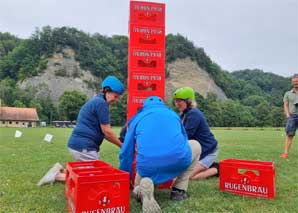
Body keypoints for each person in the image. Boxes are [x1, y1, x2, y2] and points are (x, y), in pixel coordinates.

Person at [37, 76, 125, 186]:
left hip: (79, 145)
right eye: (115, 96)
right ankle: (56, 176)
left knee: (89, 171)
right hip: (84, 147)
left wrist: (119, 142)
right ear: (106, 91)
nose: (116, 100)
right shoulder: (102, 104)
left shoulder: (97, 101)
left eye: (118, 98)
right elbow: (107, 131)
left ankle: (61, 171)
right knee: (94, 179)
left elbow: (105, 132)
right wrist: (122, 145)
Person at [119, 96, 201, 212]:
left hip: (148, 167)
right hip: (177, 160)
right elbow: (184, 139)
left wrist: (125, 179)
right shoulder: (174, 115)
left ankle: (140, 190)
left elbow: (126, 152)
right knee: (195, 145)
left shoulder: (137, 118)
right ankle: (179, 190)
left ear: (144, 107)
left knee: (141, 180)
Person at [173, 87, 219, 180]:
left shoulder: (194, 114)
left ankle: (216, 169)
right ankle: (207, 166)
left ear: (188, 101)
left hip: (208, 151)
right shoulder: (184, 115)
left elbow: (185, 136)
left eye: (179, 101)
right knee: (181, 173)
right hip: (198, 151)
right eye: (176, 101)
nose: (177, 104)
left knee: (188, 177)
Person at [281, 74, 298, 159]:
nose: (296, 83)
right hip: (292, 116)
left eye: (297, 81)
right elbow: (285, 105)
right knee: (289, 135)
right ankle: (285, 153)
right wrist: (288, 115)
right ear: (292, 83)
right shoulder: (287, 93)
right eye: (294, 82)